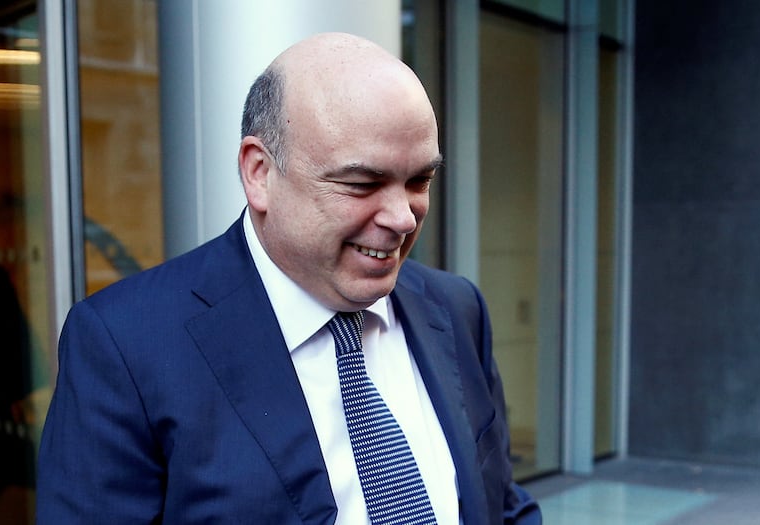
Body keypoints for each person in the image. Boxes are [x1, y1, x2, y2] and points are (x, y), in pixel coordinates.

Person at [36, 32, 541, 524]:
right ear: (260, 172)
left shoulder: (456, 308)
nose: (403, 218)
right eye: (363, 183)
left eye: (419, 181)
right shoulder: (125, 345)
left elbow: (501, 502)